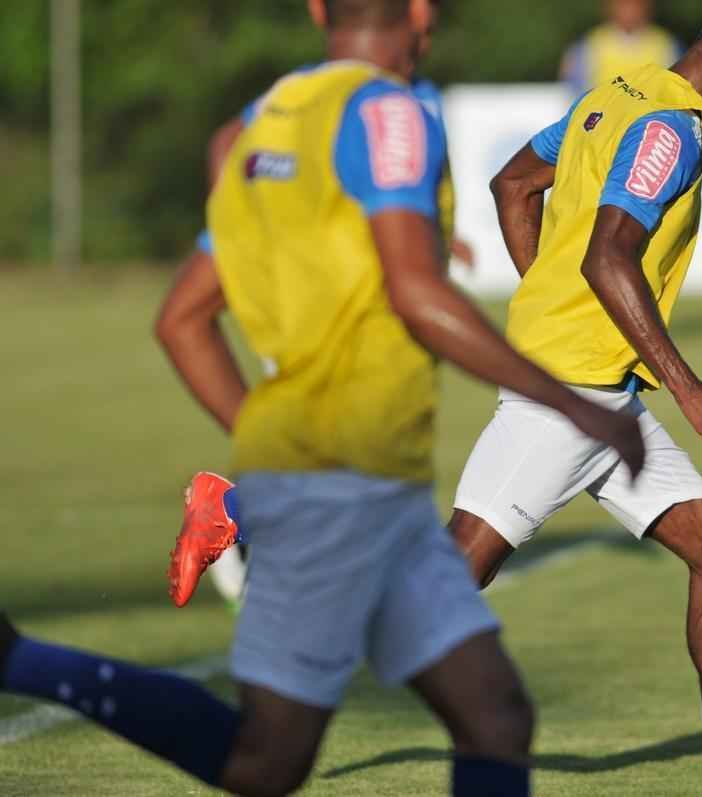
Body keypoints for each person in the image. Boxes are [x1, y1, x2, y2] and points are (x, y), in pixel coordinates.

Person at [2, 2, 646, 795]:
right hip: (344, 488)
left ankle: (17, 657)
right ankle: (18, 658)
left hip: (354, 483)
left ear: (315, 10)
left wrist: (273, 437)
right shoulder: (392, 109)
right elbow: (415, 290)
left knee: (489, 718)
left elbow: (182, 319)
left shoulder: (270, 119)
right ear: (417, 13)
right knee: (277, 757)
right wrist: (578, 407)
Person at [169, 1, 702, 794]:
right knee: (439, 585)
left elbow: (514, 184)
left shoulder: (617, 93)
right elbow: (611, 254)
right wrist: (689, 387)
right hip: (571, 396)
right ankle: (243, 516)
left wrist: (546, 303)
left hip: (600, 388)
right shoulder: (669, 131)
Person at [187, 0, 471, 611]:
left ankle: (238, 515)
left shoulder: (412, 93)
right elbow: (229, 145)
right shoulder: (328, 93)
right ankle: (249, 534)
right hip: (327, 313)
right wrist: (242, 227)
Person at [560, 0, 682, 95]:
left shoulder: (666, 45)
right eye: (623, 4)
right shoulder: (588, 46)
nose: (629, 10)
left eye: (635, 4)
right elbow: (576, 91)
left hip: (651, 121)